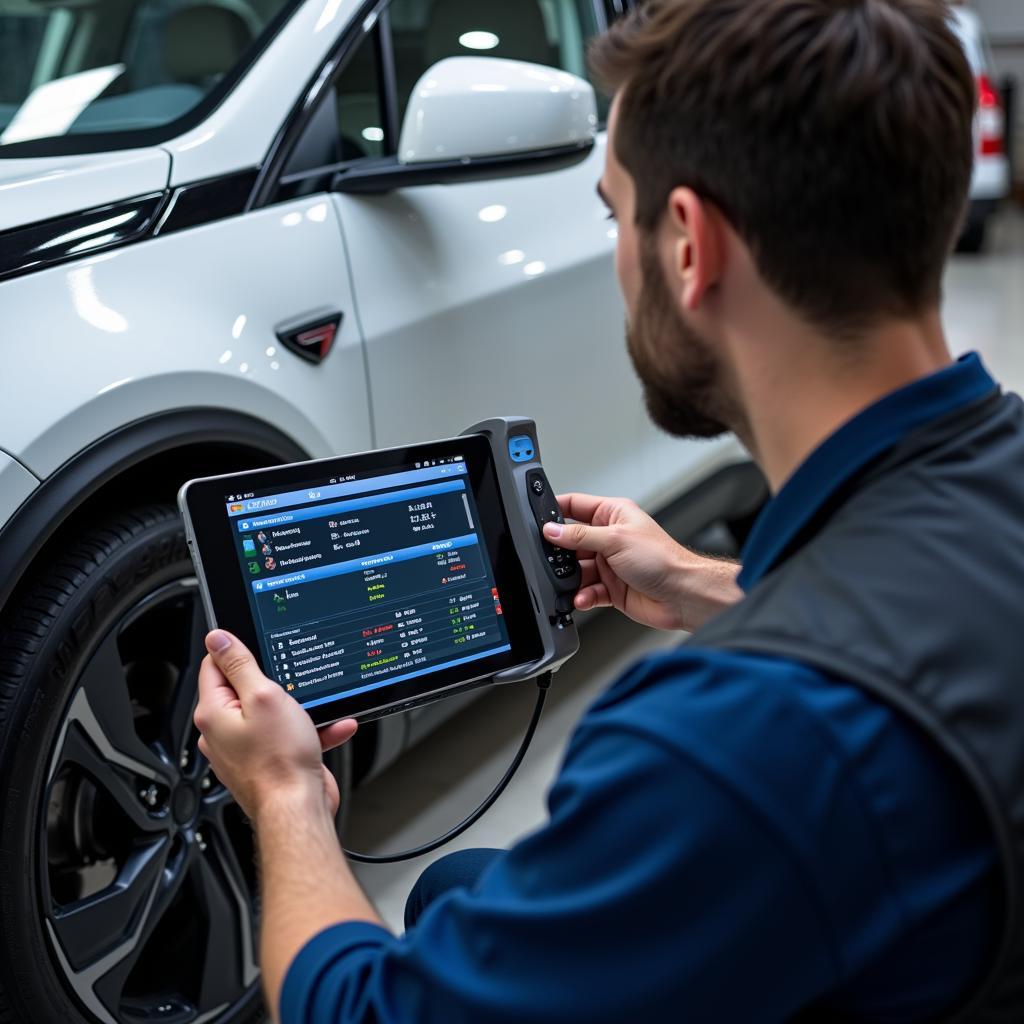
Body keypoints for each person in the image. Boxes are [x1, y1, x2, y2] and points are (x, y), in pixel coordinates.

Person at [194, 0, 1024, 1020]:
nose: (612, 259)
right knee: (463, 889)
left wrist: (284, 799)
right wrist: (708, 585)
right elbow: (929, 628)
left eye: (608, 210)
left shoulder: (721, 745)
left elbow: (364, 1010)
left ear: (687, 245)